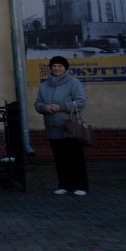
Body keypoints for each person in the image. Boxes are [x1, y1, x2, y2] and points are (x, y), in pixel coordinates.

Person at [34, 56, 88, 196]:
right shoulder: (44, 85)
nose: (57, 68)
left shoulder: (73, 83)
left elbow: (81, 102)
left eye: (60, 66)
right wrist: (44, 107)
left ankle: (81, 185)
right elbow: (37, 103)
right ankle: (64, 184)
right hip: (52, 127)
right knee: (60, 158)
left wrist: (61, 107)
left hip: (70, 127)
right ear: (50, 68)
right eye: (54, 66)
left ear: (65, 68)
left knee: (75, 157)